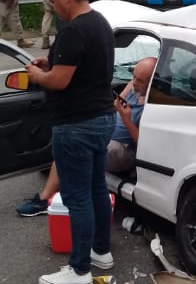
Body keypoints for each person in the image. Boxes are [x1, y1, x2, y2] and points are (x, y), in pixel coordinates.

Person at [25, 0, 115, 284]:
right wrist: (51, 65)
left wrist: (38, 77)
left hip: (76, 124)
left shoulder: (73, 31)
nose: (53, 7)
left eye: (52, 0)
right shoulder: (100, 23)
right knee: (96, 190)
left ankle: (79, 271)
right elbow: (78, 69)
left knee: (77, 197)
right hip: (102, 117)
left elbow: (60, 81)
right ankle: (101, 252)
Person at [16, 55, 158, 216]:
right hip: (107, 132)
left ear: (152, 81)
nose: (135, 82)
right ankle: (59, 196)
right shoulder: (134, 86)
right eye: (134, 76)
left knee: (78, 146)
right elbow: (116, 103)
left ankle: (49, 199)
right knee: (71, 136)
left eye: (140, 80)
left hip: (125, 150)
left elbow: (143, 145)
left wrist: (126, 119)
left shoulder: (153, 103)